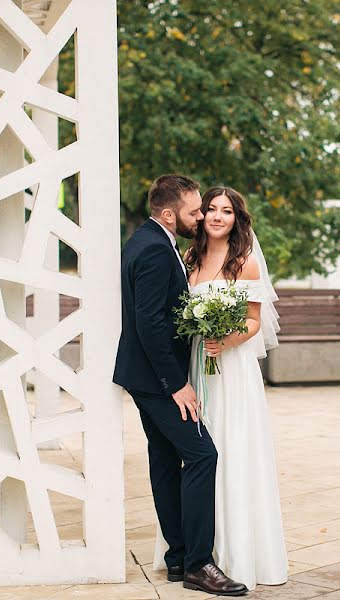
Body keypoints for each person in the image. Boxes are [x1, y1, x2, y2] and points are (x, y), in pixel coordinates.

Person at [113, 174, 248, 597]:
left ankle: (177, 560)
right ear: (169, 213)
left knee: (167, 462)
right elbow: (149, 323)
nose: (201, 216)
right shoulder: (154, 249)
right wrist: (177, 385)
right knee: (202, 454)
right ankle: (198, 564)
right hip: (158, 381)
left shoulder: (148, 241)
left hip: (144, 377)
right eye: (194, 211)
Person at [152, 186, 288, 591]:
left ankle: (234, 552)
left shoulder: (243, 263)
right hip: (195, 364)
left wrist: (225, 340)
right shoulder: (188, 258)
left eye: (225, 211)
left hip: (231, 367)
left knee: (232, 448)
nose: (216, 216)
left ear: (236, 219)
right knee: (196, 453)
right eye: (210, 209)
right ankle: (193, 550)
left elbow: (253, 321)